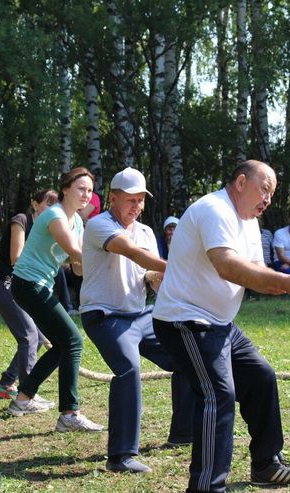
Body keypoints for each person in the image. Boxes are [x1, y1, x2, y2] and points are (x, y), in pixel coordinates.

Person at [152, 160, 290, 491]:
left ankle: (266, 465)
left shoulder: (250, 222)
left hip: (220, 323)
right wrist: (286, 282)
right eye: (265, 189)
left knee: (261, 377)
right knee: (218, 395)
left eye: (272, 193)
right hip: (185, 320)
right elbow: (227, 266)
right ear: (241, 182)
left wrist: (284, 282)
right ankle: (207, 487)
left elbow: (255, 272)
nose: (268, 199)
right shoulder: (214, 209)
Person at [80, 167, 194, 474]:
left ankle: (183, 434)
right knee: (129, 370)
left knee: (186, 357)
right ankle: (120, 457)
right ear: (113, 198)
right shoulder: (97, 225)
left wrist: (161, 281)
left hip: (140, 316)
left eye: (141, 200)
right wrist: (183, 268)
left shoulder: (145, 232)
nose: (137, 206)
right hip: (103, 315)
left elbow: (148, 274)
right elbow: (132, 254)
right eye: (130, 200)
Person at [8, 166, 104, 433]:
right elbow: (74, 251)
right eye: (81, 189)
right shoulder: (54, 215)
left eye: (90, 190)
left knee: (63, 345)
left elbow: (77, 267)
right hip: (27, 284)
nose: (86, 194)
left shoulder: (76, 223)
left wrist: (88, 261)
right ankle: (69, 414)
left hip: (39, 286)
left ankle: (23, 399)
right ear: (65, 190)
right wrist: (112, 256)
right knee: (73, 340)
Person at [0, 189, 58, 401]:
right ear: (35, 204)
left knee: (37, 338)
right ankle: (27, 395)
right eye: (48, 203)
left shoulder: (47, 231)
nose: (52, 209)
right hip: (3, 283)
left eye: (56, 205)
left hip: (22, 286)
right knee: (29, 336)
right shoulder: (22, 220)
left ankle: (6, 383)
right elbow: (16, 257)